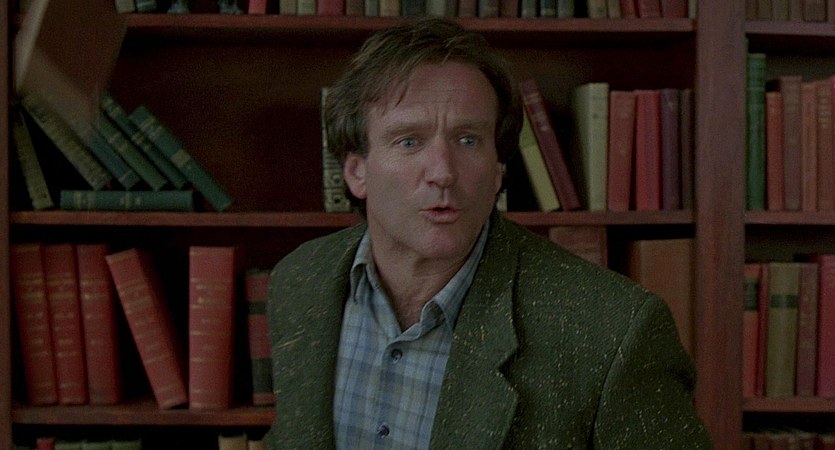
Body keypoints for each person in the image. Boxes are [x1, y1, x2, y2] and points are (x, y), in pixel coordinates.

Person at [264, 18, 713, 449]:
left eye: (468, 140)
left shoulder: (612, 331)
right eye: (409, 141)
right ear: (356, 171)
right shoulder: (300, 281)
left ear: (498, 170)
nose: (443, 172)